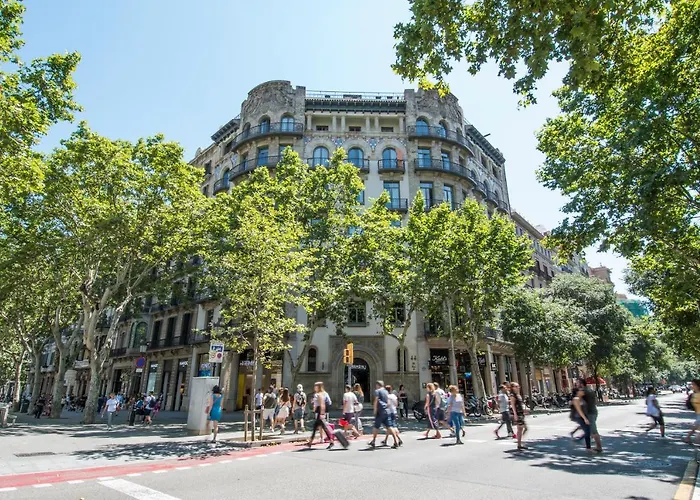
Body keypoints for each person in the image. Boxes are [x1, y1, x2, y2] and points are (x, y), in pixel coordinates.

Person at [369, 380, 399, 448]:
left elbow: (376, 400)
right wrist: (387, 407)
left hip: (380, 411)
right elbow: (388, 401)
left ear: (377, 385)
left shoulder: (377, 391)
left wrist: (375, 410)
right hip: (387, 411)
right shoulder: (386, 391)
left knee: (376, 426)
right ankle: (396, 441)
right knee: (390, 426)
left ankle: (373, 441)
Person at [307, 382, 334, 449]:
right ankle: (310, 442)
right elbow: (329, 402)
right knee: (319, 427)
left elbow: (322, 404)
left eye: (315, 386)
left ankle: (310, 442)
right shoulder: (325, 393)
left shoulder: (318, 394)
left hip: (320, 412)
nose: (314, 388)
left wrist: (322, 413)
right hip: (321, 412)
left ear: (318, 387)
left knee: (319, 427)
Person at [582, 379, 603, 453]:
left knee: (594, 430)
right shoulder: (590, 390)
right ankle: (591, 441)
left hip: (590, 413)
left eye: (577, 384)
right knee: (589, 428)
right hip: (593, 411)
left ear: (581, 384)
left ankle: (599, 447)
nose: (576, 385)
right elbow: (595, 401)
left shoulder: (584, 392)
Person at [572, 383, 592, 452]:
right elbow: (579, 410)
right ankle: (588, 448)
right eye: (582, 390)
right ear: (578, 392)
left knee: (588, 431)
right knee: (587, 431)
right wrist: (585, 419)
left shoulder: (581, 398)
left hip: (584, 416)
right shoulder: (576, 399)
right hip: (579, 417)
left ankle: (581, 442)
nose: (583, 391)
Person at [509, 382, 527, 451]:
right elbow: (513, 405)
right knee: (521, 428)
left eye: (518, 386)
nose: (518, 387)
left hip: (521, 413)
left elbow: (520, 404)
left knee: (522, 429)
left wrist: (524, 410)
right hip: (518, 414)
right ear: (512, 388)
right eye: (516, 386)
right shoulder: (512, 395)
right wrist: (515, 414)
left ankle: (519, 442)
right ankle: (519, 443)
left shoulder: (518, 394)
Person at [685, 380, 700, 444]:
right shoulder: (694, 394)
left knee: (696, 426)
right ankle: (688, 438)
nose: (692, 386)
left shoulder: (696, 394)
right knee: (696, 426)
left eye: (693, 384)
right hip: (699, 413)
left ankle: (688, 438)